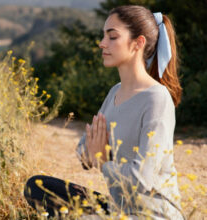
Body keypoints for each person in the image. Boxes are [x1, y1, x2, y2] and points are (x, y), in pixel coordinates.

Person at [24, 5, 186, 219]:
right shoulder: (116, 92)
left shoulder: (156, 98)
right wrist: (97, 154)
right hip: (119, 209)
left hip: (151, 214)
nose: (102, 43)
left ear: (138, 43)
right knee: (36, 187)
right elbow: (84, 148)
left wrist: (103, 160)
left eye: (112, 37)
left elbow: (142, 178)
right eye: (103, 36)